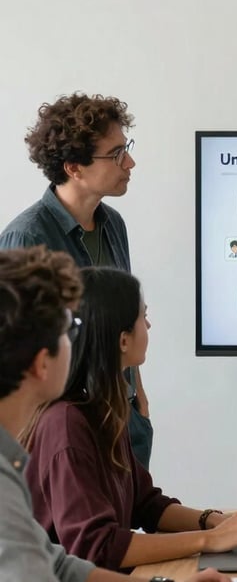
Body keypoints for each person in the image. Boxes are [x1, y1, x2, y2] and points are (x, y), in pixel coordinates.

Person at [0, 246, 237, 582]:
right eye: (68, 332)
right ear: (44, 363)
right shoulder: (60, 429)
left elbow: (60, 565)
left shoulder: (73, 424)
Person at [24, 265, 237, 570]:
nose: (150, 325)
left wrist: (219, 522)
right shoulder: (66, 425)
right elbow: (97, 548)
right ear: (123, 340)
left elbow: (146, 504)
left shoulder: (101, 410)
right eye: (143, 316)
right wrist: (210, 540)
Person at [0, 93, 154, 469]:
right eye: (116, 153)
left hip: (123, 417)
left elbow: (121, 321)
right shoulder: (26, 237)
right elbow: (14, 362)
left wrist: (140, 401)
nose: (129, 162)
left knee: (132, 519)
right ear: (74, 167)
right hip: (65, 436)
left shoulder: (113, 224)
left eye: (127, 148)